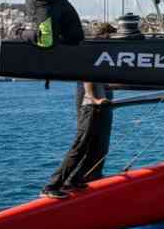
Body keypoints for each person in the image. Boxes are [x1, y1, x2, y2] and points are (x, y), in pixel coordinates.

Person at [41, 25, 116, 199]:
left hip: (101, 104)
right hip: (89, 105)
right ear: (104, 37)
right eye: (111, 37)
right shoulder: (93, 53)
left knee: (99, 148)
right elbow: (87, 77)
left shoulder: (107, 56)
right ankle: (52, 185)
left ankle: (74, 179)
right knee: (81, 146)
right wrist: (94, 99)